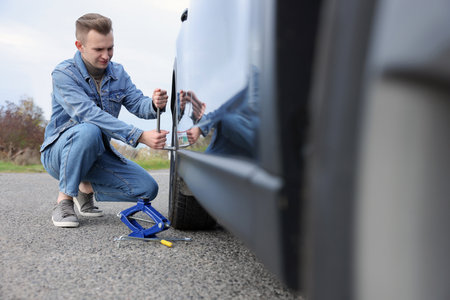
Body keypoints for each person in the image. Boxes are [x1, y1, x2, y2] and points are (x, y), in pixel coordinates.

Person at [40, 13, 169, 228]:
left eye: (110, 48)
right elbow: (88, 115)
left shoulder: (118, 73)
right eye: (99, 49)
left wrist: (155, 104)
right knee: (88, 130)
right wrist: (139, 136)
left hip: (98, 153)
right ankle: (64, 201)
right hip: (59, 154)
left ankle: (85, 188)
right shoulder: (63, 74)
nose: (106, 55)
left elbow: (138, 104)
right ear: (79, 45)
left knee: (148, 189)